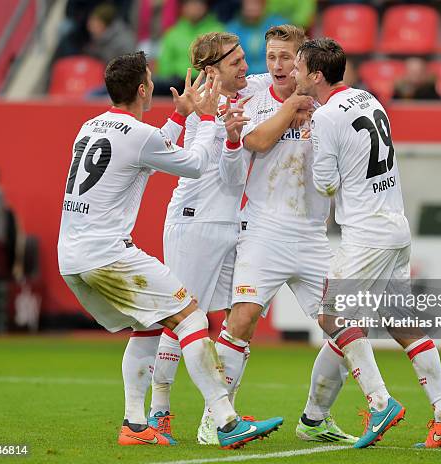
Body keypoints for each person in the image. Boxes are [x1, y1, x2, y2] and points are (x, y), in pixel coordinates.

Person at [57, 51, 282, 448]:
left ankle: (136, 424)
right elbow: (194, 164)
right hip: (108, 253)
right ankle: (227, 421)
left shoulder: (89, 127)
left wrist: (179, 117)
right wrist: (208, 118)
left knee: (148, 326)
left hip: (72, 257)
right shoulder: (139, 135)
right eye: (150, 79)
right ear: (143, 89)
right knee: (191, 319)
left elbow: (150, 144)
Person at [293, 37, 441, 448]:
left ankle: (379, 403)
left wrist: (309, 140)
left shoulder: (324, 118)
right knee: (400, 321)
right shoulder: (368, 99)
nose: (295, 73)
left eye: (300, 67)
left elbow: (325, 184)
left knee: (332, 317)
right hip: (395, 226)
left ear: (316, 75)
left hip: (366, 233)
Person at [218, 24, 357, 445]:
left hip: (314, 234)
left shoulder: (329, 105)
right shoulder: (255, 92)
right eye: (271, 56)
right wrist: (291, 106)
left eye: (286, 57)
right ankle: (218, 417)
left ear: (304, 63)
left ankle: (316, 419)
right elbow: (255, 141)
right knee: (241, 320)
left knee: (345, 327)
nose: (276, 65)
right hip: (264, 228)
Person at [147, 31, 273, 446]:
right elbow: (217, 173)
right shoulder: (207, 107)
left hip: (230, 224)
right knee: (182, 319)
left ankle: (222, 412)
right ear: (210, 71)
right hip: (195, 221)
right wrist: (233, 139)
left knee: (238, 316)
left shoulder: (241, 93)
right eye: (234, 60)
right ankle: (158, 414)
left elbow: (270, 79)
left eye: (241, 57)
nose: (244, 65)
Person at [154, 0, 224, 94]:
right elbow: (165, 65)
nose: (194, 7)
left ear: (206, 7)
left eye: (199, 3)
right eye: (190, 3)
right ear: (183, 8)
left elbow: (221, 62)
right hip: (177, 82)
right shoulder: (173, 32)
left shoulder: (217, 31)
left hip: (205, 80)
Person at [226, 0, 286, 75]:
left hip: (274, 76)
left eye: (256, 2)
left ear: (264, 3)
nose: (252, 6)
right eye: (249, 2)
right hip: (243, 79)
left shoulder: (279, 25)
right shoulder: (232, 29)